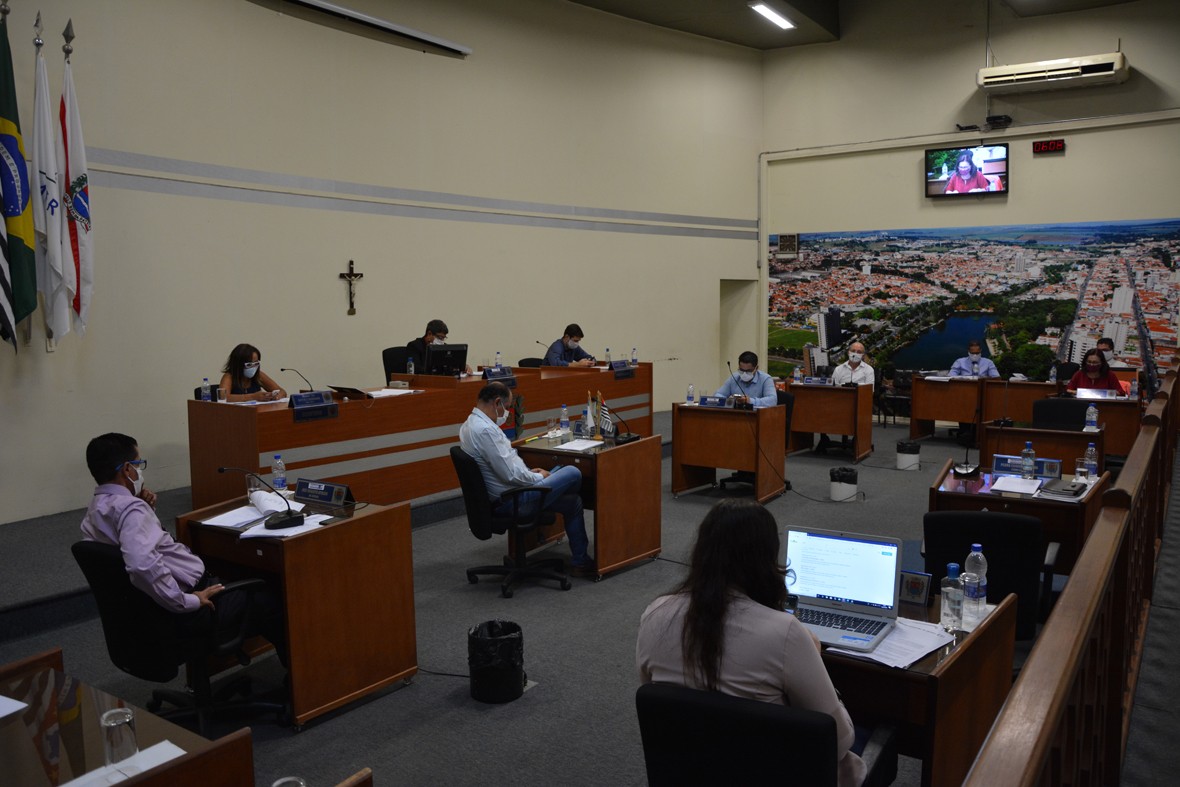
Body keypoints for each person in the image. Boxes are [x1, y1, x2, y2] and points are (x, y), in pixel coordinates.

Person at [636, 499, 865, 787]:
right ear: (765, 561)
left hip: (689, 771)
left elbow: (653, 695)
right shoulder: (784, 633)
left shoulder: (655, 614)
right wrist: (814, 658)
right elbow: (840, 741)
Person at [80, 433, 287, 664]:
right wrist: (188, 601)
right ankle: (302, 681)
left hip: (147, 613)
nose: (140, 472)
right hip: (190, 606)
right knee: (275, 597)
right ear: (127, 469)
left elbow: (129, 544)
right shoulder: (132, 510)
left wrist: (144, 507)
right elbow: (140, 566)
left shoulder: (96, 509)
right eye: (139, 464)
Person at [459, 382, 594, 576]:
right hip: (514, 499)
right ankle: (580, 557)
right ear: (497, 403)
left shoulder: (469, 424)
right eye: (507, 407)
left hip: (508, 494)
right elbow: (510, 475)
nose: (507, 413)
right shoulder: (485, 430)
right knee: (573, 472)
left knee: (572, 501)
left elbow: (506, 466)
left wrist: (531, 472)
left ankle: (581, 562)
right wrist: (536, 477)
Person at [818, 342, 874, 451]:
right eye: (853, 351)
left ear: (863, 355)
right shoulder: (839, 369)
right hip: (839, 404)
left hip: (859, 405)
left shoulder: (868, 370)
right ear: (848, 352)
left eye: (859, 352)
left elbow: (869, 392)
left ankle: (858, 441)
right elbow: (833, 389)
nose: (855, 353)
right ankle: (824, 439)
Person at [219, 343, 286, 402]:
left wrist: (276, 396)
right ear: (239, 364)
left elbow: (282, 391)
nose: (253, 367)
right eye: (249, 364)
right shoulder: (229, 377)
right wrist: (252, 397)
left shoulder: (259, 375)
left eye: (256, 363)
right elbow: (223, 397)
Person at [713, 350, 777, 408]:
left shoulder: (765, 379)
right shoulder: (734, 377)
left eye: (748, 371)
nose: (744, 374)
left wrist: (750, 401)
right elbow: (717, 395)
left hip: (756, 415)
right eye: (741, 370)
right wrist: (729, 401)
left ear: (756, 368)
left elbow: (772, 400)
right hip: (736, 414)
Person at [406, 319, 472, 374]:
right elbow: (416, 369)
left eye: (443, 338)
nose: (441, 341)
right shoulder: (414, 346)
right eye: (440, 337)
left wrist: (462, 366)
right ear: (429, 334)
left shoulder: (444, 347)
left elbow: (452, 364)